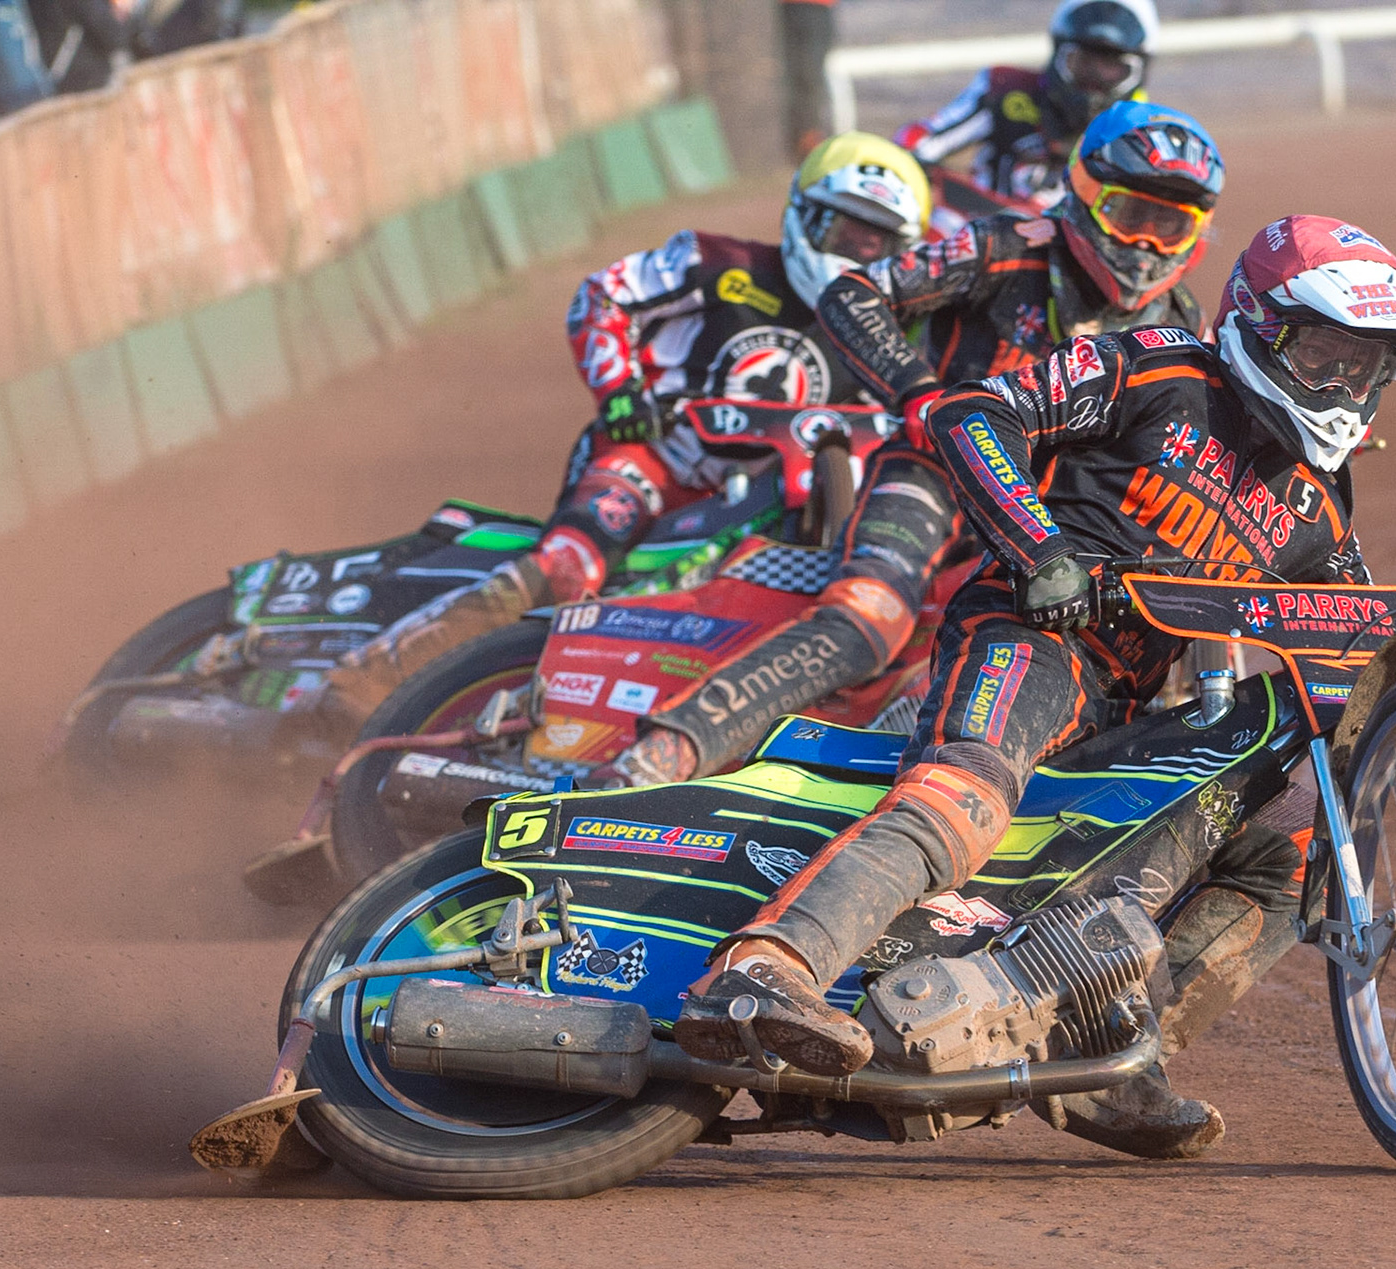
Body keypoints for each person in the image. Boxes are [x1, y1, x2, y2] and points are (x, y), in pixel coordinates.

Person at [670, 215, 1396, 1159]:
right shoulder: (1157, 365)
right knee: (962, 798)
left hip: (1137, 706)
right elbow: (972, 411)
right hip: (1028, 635)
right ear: (1259, 324)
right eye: (1326, 354)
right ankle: (765, 969)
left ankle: (1115, 1056)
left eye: (1368, 365)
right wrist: (1039, 546)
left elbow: (1350, 640)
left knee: (1290, 846)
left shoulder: (1319, 501)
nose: (1345, 388)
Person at [603, 101, 1222, 788]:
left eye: (1172, 225)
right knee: (866, 622)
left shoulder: (1181, 322)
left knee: (1129, 665)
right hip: (933, 472)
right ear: (1082, 194)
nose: (1145, 244)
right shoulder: (1000, 243)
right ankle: (656, 758)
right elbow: (852, 294)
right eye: (1130, 214)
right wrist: (918, 391)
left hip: (1042, 525)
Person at [311, 133, 932, 733]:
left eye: (877, 241)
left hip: (764, 503)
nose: (857, 249)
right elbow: (602, 297)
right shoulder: (715, 263)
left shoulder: (895, 339)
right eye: (844, 229)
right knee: (568, 568)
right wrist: (622, 392)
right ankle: (364, 682)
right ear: (803, 213)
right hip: (652, 461)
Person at [895, 0, 1158, 210]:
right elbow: (919, 142)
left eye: (1112, 69)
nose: (1094, 83)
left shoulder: (1140, 133)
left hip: (1066, 260)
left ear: (1138, 73)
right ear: (1058, 53)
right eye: (1083, 63)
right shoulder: (1006, 91)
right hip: (975, 237)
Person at [781, 0, 837, 158]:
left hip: (818, 8)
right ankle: (806, 137)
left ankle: (811, 135)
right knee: (802, 76)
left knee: (811, 76)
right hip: (792, 8)